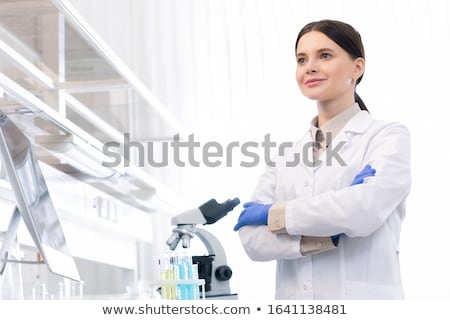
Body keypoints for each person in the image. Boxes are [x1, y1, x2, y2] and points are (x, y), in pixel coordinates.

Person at [234, 19, 411, 299]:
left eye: (324, 55)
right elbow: (252, 239)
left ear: (357, 67)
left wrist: (273, 214)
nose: (310, 67)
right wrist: (327, 235)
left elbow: (363, 210)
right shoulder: (284, 157)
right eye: (302, 59)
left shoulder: (386, 136)